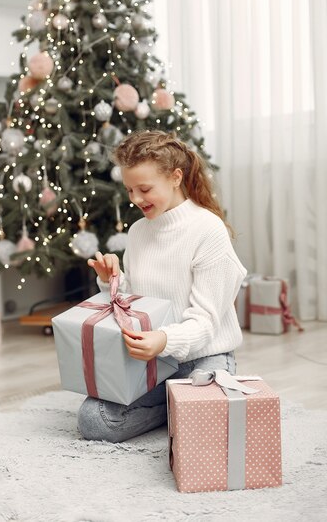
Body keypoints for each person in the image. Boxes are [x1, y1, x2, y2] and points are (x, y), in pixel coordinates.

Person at [78, 130, 246, 443]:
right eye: (129, 190)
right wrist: (111, 280)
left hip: (204, 357)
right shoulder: (139, 231)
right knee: (93, 420)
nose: (135, 199)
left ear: (175, 177)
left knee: (205, 429)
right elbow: (136, 301)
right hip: (156, 361)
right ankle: (179, 407)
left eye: (144, 189)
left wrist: (164, 340)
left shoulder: (208, 231)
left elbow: (206, 322)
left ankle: (189, 406)